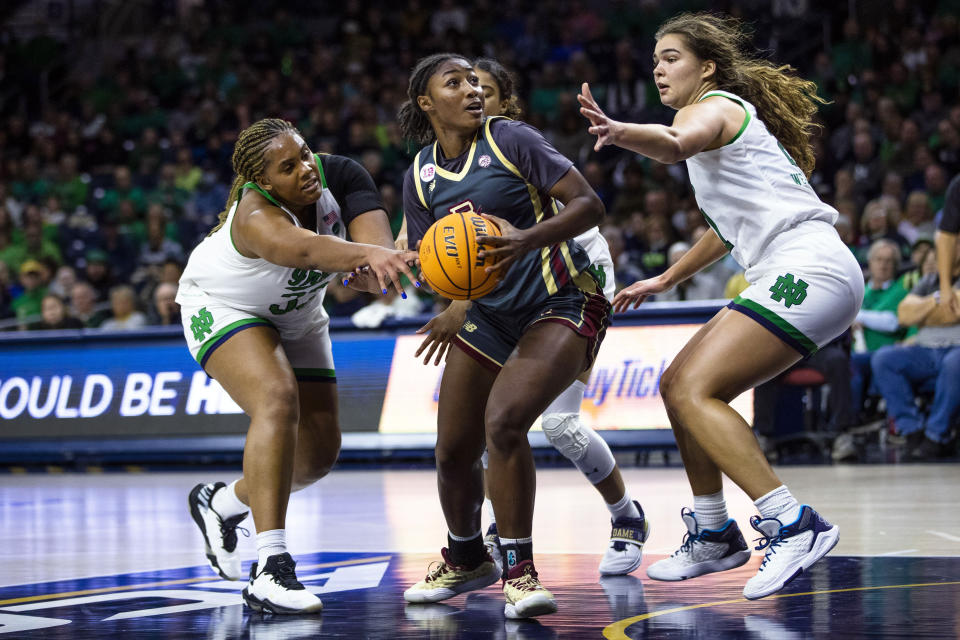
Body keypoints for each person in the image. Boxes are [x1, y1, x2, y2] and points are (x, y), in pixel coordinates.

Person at [578, 12, 864, 600]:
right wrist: (666, 277)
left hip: (807, 266)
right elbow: (722, 229)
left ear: (706, 67)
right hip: (792, 267)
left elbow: (676, 142)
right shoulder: (726, 128)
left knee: (692, 389)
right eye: (654, 58)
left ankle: (792, 523)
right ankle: (714, 533)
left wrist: (621, 130)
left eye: (672, 57)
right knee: (676, 383)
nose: (659, 67)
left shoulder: (711, 108)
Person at [412, 57, 648, 580]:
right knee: (465, 442)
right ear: (430, 104)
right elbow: (457, 259)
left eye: (483, 87)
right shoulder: (428, 172)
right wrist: (453, 300)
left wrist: (522, 245)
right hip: (497, 305)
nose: (476, 95)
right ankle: (479, 546)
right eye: (463, 85)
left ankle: (622, 517)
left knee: (548, 423)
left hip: (572, 282)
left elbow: (585, 209)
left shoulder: (516, 142)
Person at [178, 118, 418, 614]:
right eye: (289, 167)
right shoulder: (254, 215)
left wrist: (379, 265)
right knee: (276, 397)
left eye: (306, 153)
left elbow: (371, 269)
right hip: (225, 306)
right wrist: (370, 254)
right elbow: (307, 248)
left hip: (299, 314)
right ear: (262, 183)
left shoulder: (342, 176)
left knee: (316, 457)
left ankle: (221, 504)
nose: (306, 168)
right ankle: (270, 567)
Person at [871, 209, 960, 460]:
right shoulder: (930, 279)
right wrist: (940, 300)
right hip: (924, 350)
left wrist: (925, 310)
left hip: (956, 349)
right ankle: (912, 431)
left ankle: (936, 435)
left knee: (956, 363)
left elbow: (954, 313)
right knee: (885, 358)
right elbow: (904, 314)